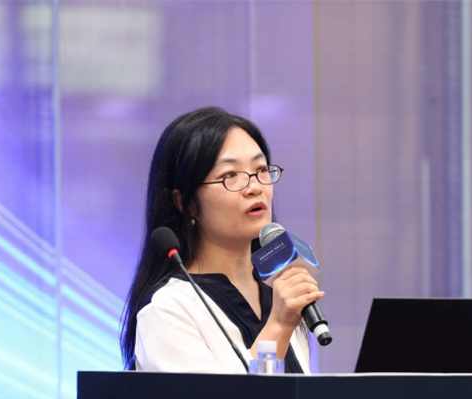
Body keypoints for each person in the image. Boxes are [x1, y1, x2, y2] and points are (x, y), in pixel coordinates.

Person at [120, 107, 323, 373]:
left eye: (261, 169)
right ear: (185, 203)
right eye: (230, 176)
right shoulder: (168, 310)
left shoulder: (279, 296)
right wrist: (278, 326)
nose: (255, 187)